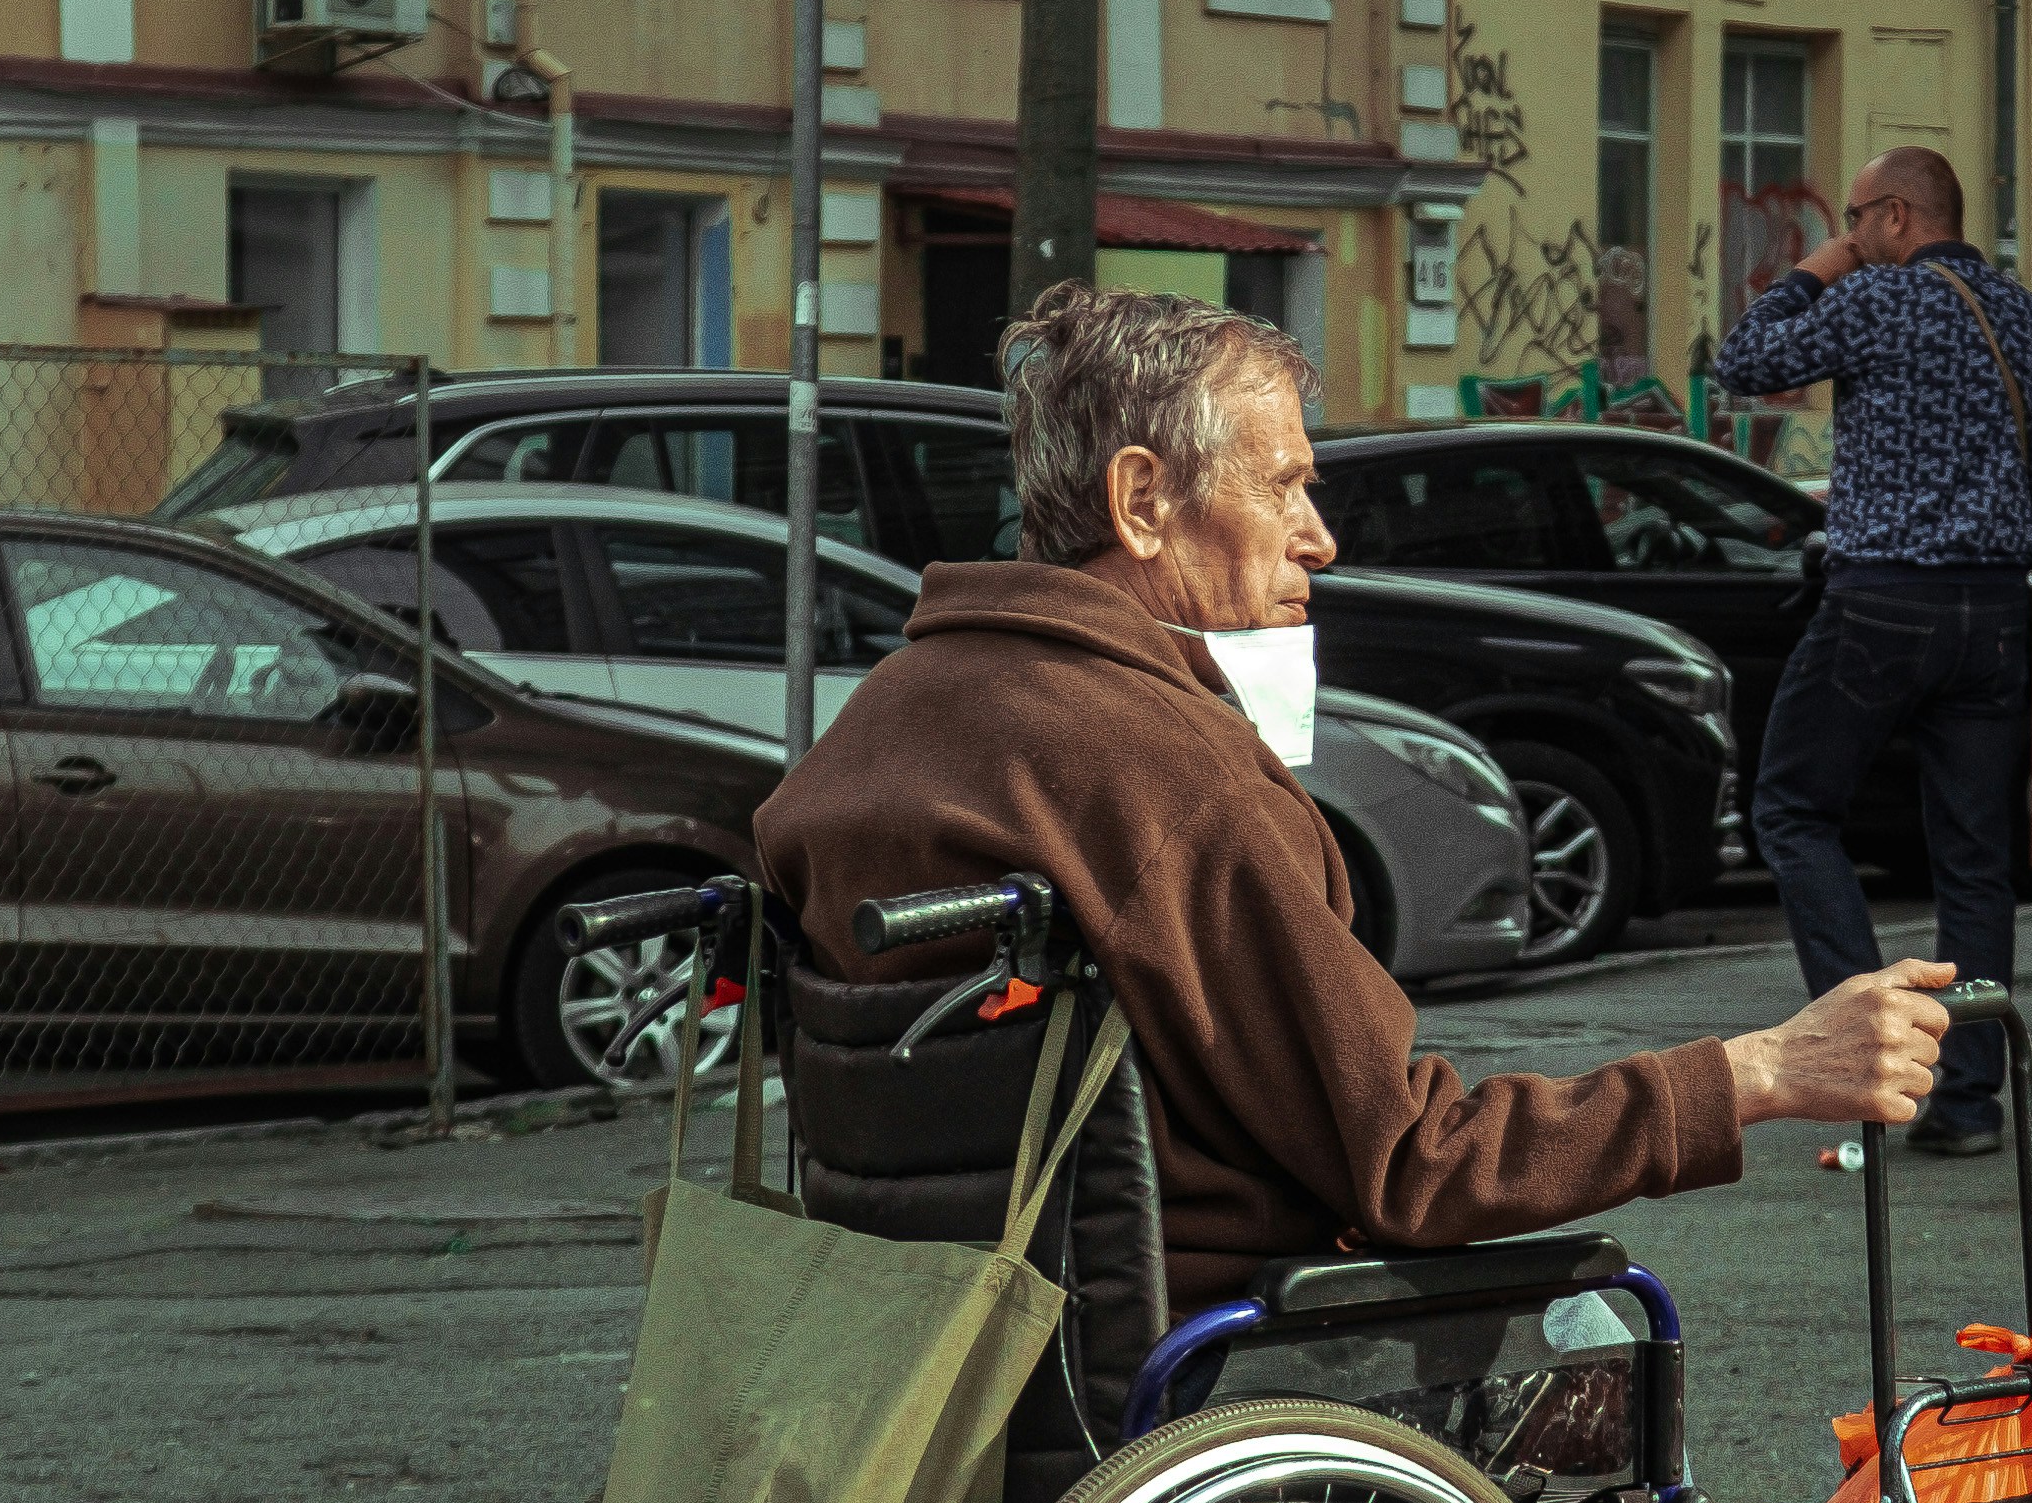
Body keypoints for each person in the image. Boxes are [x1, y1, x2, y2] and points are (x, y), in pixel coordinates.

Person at [757, 281, 1951, 1303]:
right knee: (1603, 1339)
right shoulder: (1167, 772)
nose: (1317, 537)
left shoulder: (886, 718)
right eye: (1281, 487)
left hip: (943, 1335)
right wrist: (1758, 1072)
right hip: (1204, 1350)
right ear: (1141, 501)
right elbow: (1417, 1165)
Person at [1704, 144, 2032, 1165]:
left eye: (1853, 219)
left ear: (1894, 217)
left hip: (1883, 601)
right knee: (1972, 859)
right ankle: (1968, 1103)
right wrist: (2023, 543)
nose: (1846, 236)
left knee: (1793, 809)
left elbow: (1744, 361)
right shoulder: (2022, 314)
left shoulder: (1883, 300)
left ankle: (1861, 1069)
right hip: (1992, 610)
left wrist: (1817, 266)